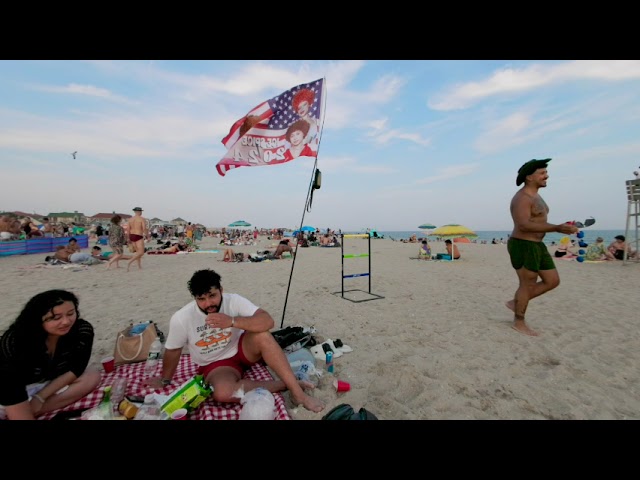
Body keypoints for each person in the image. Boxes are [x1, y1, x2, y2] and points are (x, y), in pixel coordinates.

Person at [145, 269, 324, 413]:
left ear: (221, 290)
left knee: (262, 334)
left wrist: (232, 321)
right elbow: (173, 350)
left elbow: (267, 321)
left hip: (242, 351)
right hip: (215, 364)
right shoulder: (182, 317)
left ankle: (298, 394)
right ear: (195, 298)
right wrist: (165, 379)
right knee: (222, 393)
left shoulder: (233, 301)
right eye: (201, 299)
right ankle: (285, 384)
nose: (208, 303)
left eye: (212, 295)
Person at [0, 290, 101, 420]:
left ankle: (33, 409)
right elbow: (10, 387)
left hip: (45, 384)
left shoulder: (81, 330)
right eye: (56, 318)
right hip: (8, 391)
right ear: (37, 319)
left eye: (71, 313)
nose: (66, 322)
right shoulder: (15, 341)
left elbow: (77, 367)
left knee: (92, 375)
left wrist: (40, 397)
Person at [506, 158, 579, 336]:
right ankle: (519, 321)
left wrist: (564, 226)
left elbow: (538, 220)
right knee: (527, 283)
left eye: (545, 172)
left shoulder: (536, 195)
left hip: (538, 245)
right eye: (542, 173)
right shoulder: (522, 198)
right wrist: (557, 228)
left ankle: (517, 302)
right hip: (523, 244)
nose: (546, 176)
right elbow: (523, 225)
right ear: (529, 177)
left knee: (552, 280)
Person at [126, 207, 149, 271]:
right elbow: (144, 228)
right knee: (141, 252)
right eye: (141, 211)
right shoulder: (142, 219)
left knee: (138, 252)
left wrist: (128, 238)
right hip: (138, 235)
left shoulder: (130, 219)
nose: (141, 212)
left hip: (132, 235)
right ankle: (129, 262)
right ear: (139, 212)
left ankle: (139, 266)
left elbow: (128, 229)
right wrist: (148, 236)